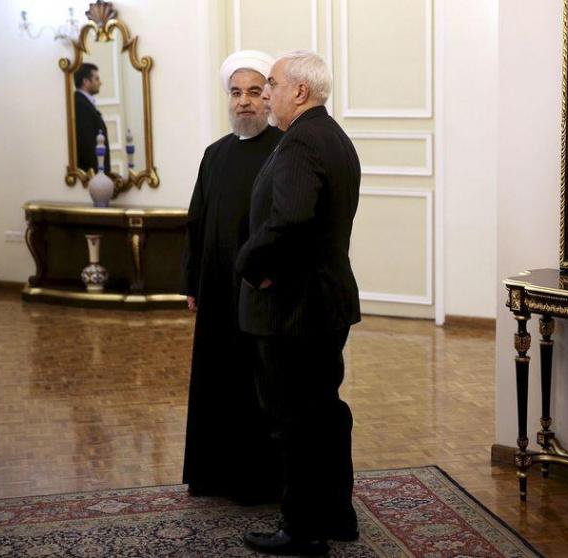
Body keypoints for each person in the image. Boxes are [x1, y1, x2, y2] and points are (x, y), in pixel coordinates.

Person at [236, 50, 361, 556]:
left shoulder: (301, 142)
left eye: (272, 84)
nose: (266, 93)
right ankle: (337, 515)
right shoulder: (332, 136)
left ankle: (304, 529)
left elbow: (289, 219)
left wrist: (249, 263)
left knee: (296, 421)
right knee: (325, 413)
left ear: (300, 91)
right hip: (324, 302)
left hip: (294, 308)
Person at [180, 50, 284, 503]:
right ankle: (213, 476)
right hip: (216, 289)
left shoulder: (284, 149)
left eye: (254, 92)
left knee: (257, 385)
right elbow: (196, 221)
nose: (244, 101)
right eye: (236, 92)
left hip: (261, 291)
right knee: (216, 381)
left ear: (269, 98)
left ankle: (258, 482)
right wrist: (191, 283)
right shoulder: (214, 154)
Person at [74, 63, 111, 173]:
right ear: (86, 82)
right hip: (92, 174)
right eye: (96, 79)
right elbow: (87, 145)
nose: (100, 83)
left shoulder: (84, 102)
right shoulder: (80, 104)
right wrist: (97, 174)